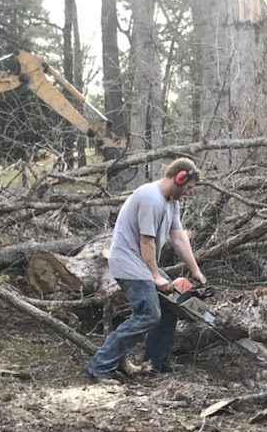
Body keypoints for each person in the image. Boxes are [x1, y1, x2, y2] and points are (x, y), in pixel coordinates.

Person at [87, 157, 207, 383]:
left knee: (171, 305)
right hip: (128, 263)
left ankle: (157, 362)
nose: (188, 192)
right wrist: (155, 276)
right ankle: (100, 365)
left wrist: (196, 271)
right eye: (189, 187)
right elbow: (147, 241)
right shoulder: (151, 198)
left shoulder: (171, 202)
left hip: (141, 263)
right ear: (180, 178)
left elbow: (179, 237)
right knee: (149, 314)